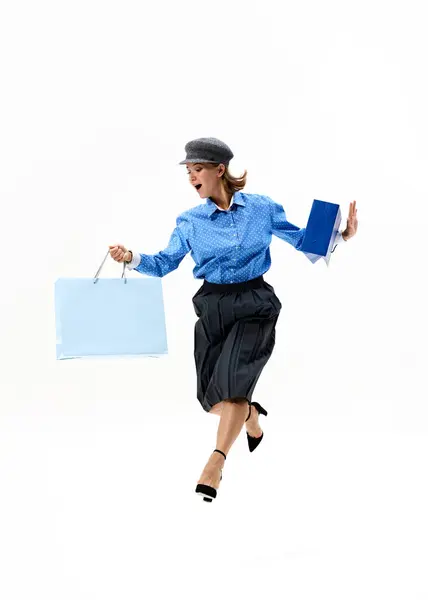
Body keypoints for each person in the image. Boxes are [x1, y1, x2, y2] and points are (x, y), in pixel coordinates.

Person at [109, 137, 358, 502]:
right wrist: (131, 256)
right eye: (188, 171)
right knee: (210, 399)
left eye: (197, 169)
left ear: (219, 169)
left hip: (255, 304)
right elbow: (164, 264)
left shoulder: (261, 208)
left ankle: (215, 463)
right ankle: (250, 416)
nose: (191, 177)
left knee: (235, 385)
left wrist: (341, 236)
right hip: (212, 306)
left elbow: (304, 240)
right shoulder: (190, 221)